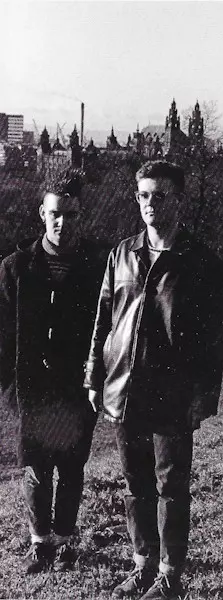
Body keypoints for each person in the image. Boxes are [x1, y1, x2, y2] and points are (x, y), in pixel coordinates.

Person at [84, 160, 223, 600]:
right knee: (135, 484)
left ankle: (170, 575)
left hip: (173, 395)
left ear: (179, 200)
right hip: (124, 389)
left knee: (171, 486)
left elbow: (214, 338)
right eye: (143, 195)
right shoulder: (121, 254)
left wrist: (203, 395)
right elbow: (104, 319)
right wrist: (94, 375)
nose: (150, 204)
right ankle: (142, 565)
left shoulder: (201, 262)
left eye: (160, 196)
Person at [0, 168, 107, 573]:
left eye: (71, 214)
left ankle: (64, 543)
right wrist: (9, 388)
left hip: (77, 387)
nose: (62, 222)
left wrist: (98, 379)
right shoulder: (15, 268)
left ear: (81, 215)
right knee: (36, 467)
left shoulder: (99, 266)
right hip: (32, 389)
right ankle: (40, 543)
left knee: (71, 466)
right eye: (55, 214)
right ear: (42, 214)